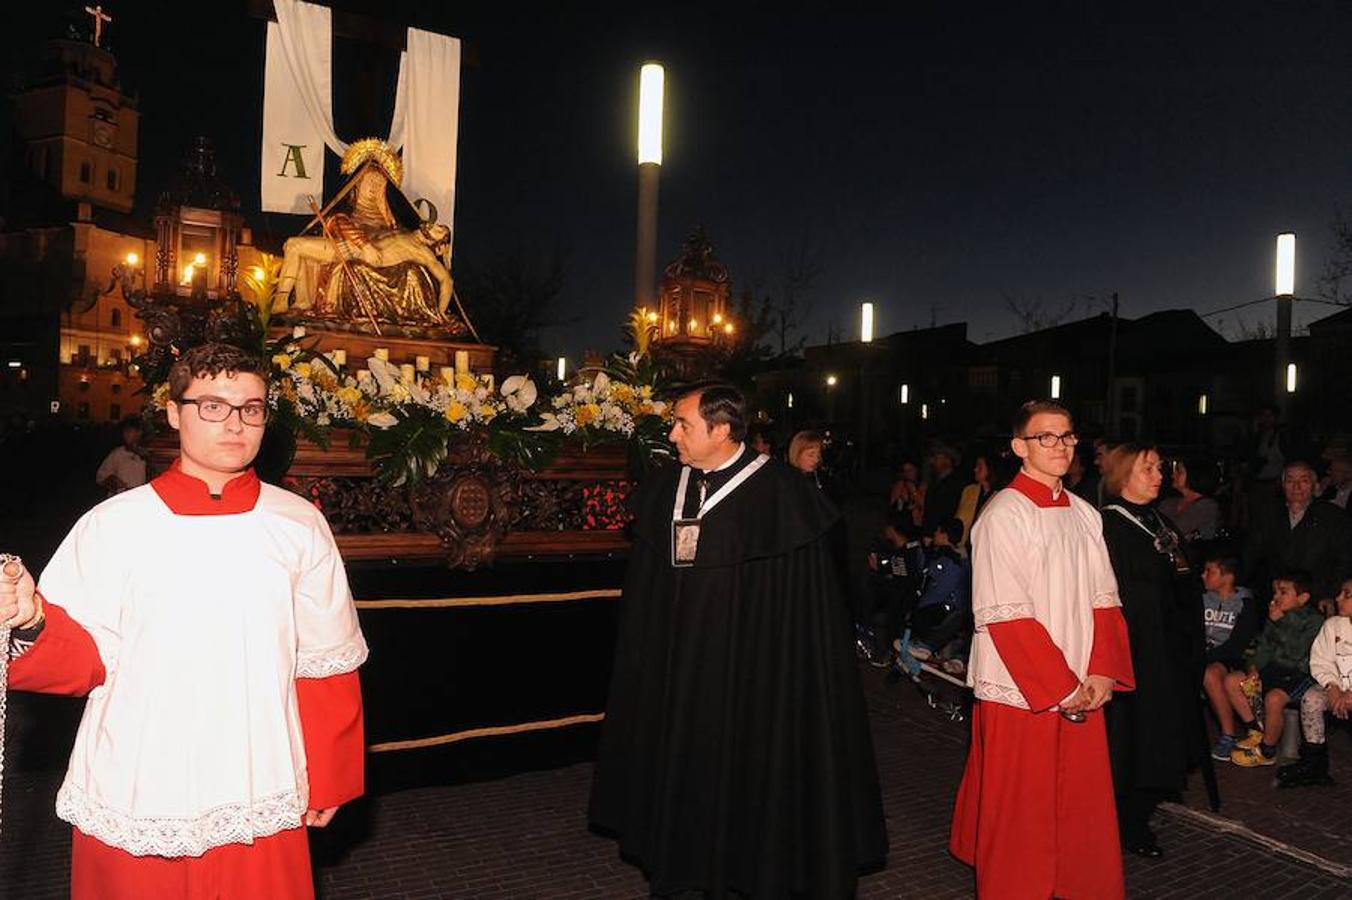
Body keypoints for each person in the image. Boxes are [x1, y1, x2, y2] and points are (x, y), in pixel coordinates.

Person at [0, 343, 368, 900]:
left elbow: (325, 658)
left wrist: (332, 772)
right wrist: (29, 620)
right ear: (174, 412)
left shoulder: (299, 524)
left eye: (251, 407)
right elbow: (82, 660)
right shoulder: (113, 525)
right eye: (213, 406)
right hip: (142, 779)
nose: (236, 423)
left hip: (257, 777)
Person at [589, 382, 887, 899]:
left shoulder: (784, 495)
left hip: (752, 676)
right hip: (676, 673)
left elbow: (804, 615)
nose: (672, 433)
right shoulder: (665, 488)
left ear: (722, 429)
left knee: (748, 777)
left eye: (683, 424)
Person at [950, 400, 1134, 900]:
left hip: (1081, 682)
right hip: (1022, 686)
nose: (1059, 446)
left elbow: (1105, 598)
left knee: (1080, 802)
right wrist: (1060, 686)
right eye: (1045, 437)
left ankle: (1078, 885)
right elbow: (1003, 611)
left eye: (1067, 437)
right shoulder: (1003, 515)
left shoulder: (1084, 514)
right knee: (1022, 805)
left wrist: (1101, 673)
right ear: (1019, 448)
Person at [1100, 443, 1201, 858]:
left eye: (1160, 467)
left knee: (1163, 738)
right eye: (1148, 469)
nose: (1159, 475)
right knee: (1133, 741)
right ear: (1124, 474)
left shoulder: (1159, 520)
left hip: (1168, 651)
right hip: (1136, 653)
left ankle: (1139, 811)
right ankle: (1127, 821)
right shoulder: (1108, 527)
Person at [1223, 571, 1324, 767]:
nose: (1276, 597)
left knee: (1274, 698)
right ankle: (1255, 730)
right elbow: (1264, 647)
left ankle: (1267, 751)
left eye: (1283, 592)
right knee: (1233, 680)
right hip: (1275, 669)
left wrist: (1280, 621)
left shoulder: (1314, 620)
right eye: (1275, 592)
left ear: (1302, 598)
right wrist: (1253, 668)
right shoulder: (1276, 616)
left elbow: (1297, 652)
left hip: (1300, 674)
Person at [1243, 460, 1352, 609]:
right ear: (1282, 486)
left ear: (1315, 486)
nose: (1297, 487)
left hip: (1317, 599)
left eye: (1304, 480)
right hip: (1276, 598)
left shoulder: (1333, 517)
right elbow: (1251, 554)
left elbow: (1343, 561)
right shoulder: (1268, 514)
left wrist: (1330, 595)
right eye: (1290, 480)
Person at [1280, 578, 1352, 787]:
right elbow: (1321, 660)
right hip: (1338, 689)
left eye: (1346, 594)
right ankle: (1314, 765)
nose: (1338, 598)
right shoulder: (1333, 626)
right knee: (1311, 698)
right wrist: (1333, 687)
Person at [1199, 554, 1262, 761]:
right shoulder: (1202, 599)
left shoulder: (1244, 603)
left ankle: (1228, 735)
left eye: (1210, 571)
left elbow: (1237, 645)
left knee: (1211, 674)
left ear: (1227, 577)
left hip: (1231, 659)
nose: (1203, 575)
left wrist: (1204, 657)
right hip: (1205, 655)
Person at [906, 517, 971, 673]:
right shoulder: (942, 555)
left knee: (919, 616)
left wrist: (917, 609)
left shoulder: (955, 561)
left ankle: (926, 646)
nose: (934, 534)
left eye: (937, 531)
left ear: (944, 535)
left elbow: (939, 592)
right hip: (945, 611)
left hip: (947, 612)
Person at [1159, 454, 1221, 543]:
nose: (1173, 475)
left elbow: (1175, 532)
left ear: (1194, 475)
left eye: (1179, 471)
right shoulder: (1169, 503)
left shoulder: (1207, 506)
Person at [94, 415, 148, 495]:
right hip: (119, 498)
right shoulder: (117, 454)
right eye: (124, 431)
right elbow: (101, 476)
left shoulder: (147, 455)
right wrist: (113, 481)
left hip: (138, 499)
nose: (125, 434)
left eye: (129, 431)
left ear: (139, 433)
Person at [954, 453, 995, 556]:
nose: (975, 469)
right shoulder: (969, 491)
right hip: (963, 548)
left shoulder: (1000, 495)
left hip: (985, 550)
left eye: (980, 466)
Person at [922, 445, 963, 534]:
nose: (933, 462)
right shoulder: (934, 483)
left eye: (937, 458)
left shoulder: (955, 484)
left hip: (942, 534)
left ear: (947, 460)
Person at [889, 459, 924, 527]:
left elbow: (924, 504)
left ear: (916, 470)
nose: (908, 473)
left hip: (918, 522)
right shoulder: (900, 485)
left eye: (910, 470)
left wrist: (914, 493)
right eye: (905, 471)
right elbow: (893, 505)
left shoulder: (923, 486)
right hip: (901, 521)